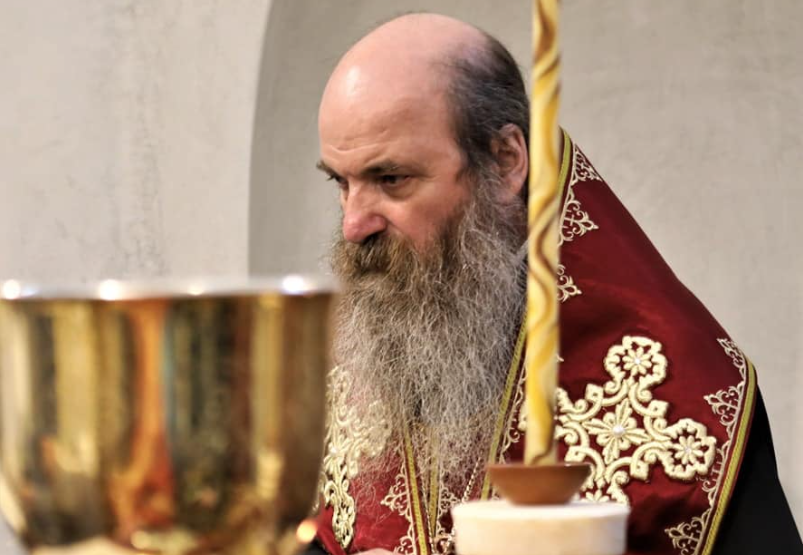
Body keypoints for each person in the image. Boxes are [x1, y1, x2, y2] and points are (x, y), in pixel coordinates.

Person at [307, 12, 802, 555]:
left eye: (391, 179)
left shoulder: (679, 393)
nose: (354, 224)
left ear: (506, 161)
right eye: (341, 183)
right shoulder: (371, 358)